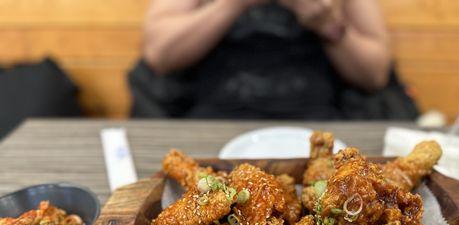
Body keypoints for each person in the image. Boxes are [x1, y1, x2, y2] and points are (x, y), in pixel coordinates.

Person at [129, 0, 418, 120]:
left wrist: (328, 25)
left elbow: (375, 74)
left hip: (318, 121)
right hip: (214, 118)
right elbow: (159, 54)